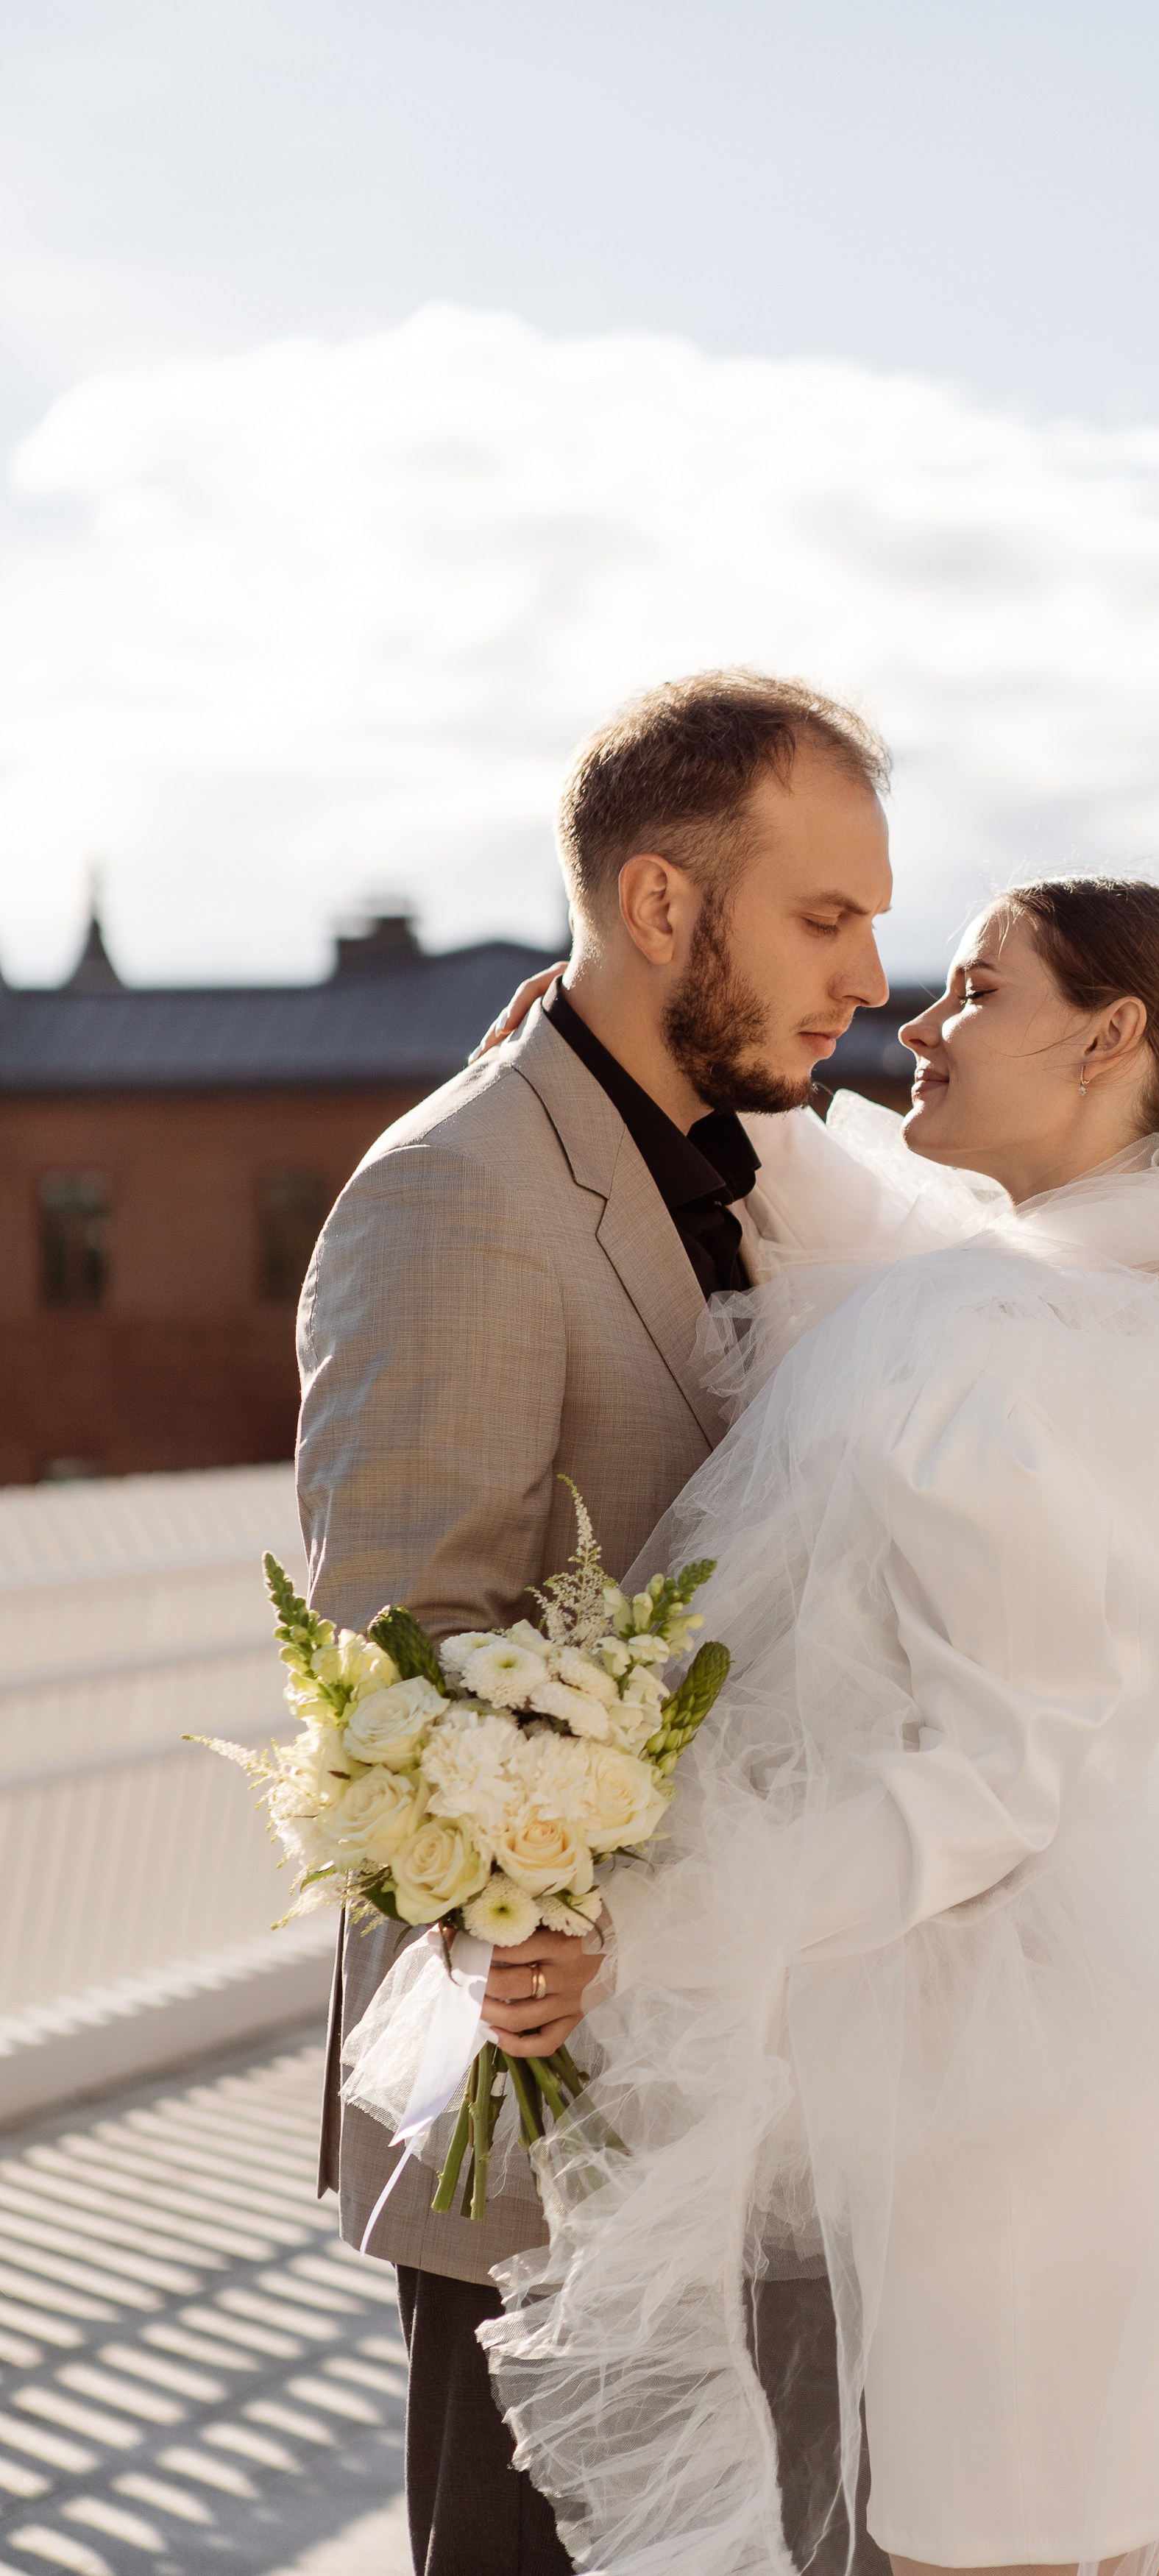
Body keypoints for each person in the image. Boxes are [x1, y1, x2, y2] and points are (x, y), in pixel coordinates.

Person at [463, 877, 1159, 2575]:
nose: (916, 1027)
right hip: (1119, 2053)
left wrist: (650, 1927)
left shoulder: (1005, 1343)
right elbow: (866, 1193)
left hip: (1026, 2125)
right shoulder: (1125, 1280)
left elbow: (997, 1777)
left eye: (971, 987)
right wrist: (602, 1045)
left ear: (1110, 1035)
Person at [294, 669, 896, 2576]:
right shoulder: (455, 1194)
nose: (870, 971)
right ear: (658, 906)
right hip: (540, 2140)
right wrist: (539, 1928)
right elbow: (400, 1662)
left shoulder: (785, 1161)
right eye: (824, 914)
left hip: (758, 2084)